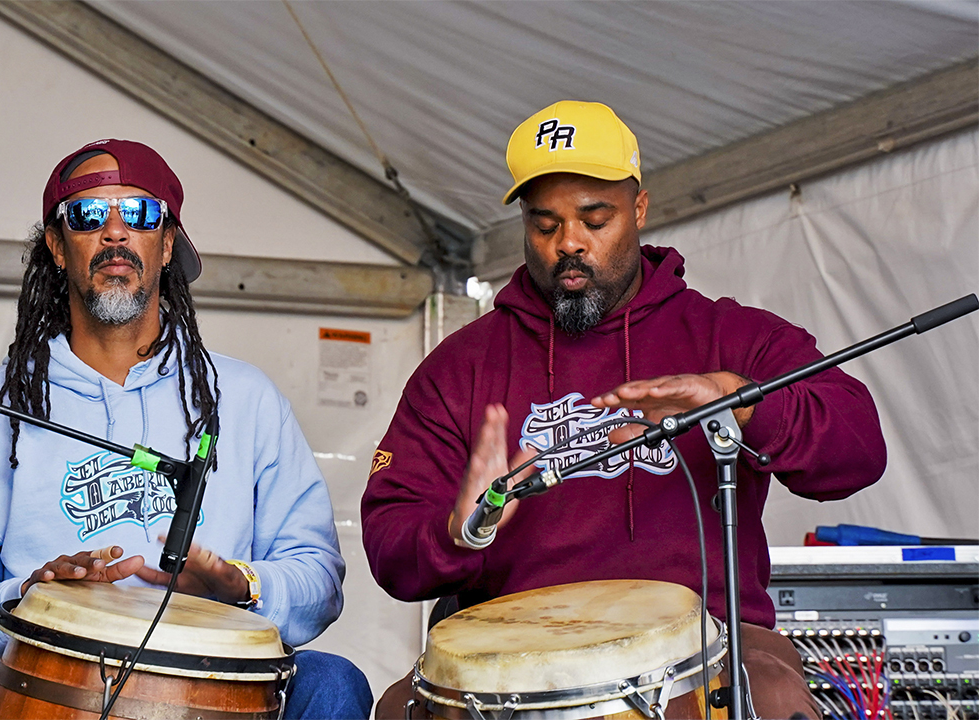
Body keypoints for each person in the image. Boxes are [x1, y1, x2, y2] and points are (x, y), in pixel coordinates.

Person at [361, 101, 887, 719]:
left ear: (638, 209)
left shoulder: (732, 337)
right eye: (545, 224)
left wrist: (740, 403)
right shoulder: (461, 367)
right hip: (510, 664)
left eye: (594, 218)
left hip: (709, 646)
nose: (569, 244)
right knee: (398, 708)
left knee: (769, 697)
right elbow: (391, 545)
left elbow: (858, 448)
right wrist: (461, 529)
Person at [0, 139, 373, 719]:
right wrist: (26, 598)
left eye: (138, 214)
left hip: (215, 687)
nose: (114, 232)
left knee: (334, 681)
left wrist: (240, 584)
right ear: (58, 247)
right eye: (88, 215)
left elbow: (318, 577)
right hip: (42, 685)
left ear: (166, 246)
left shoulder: (246, 399)